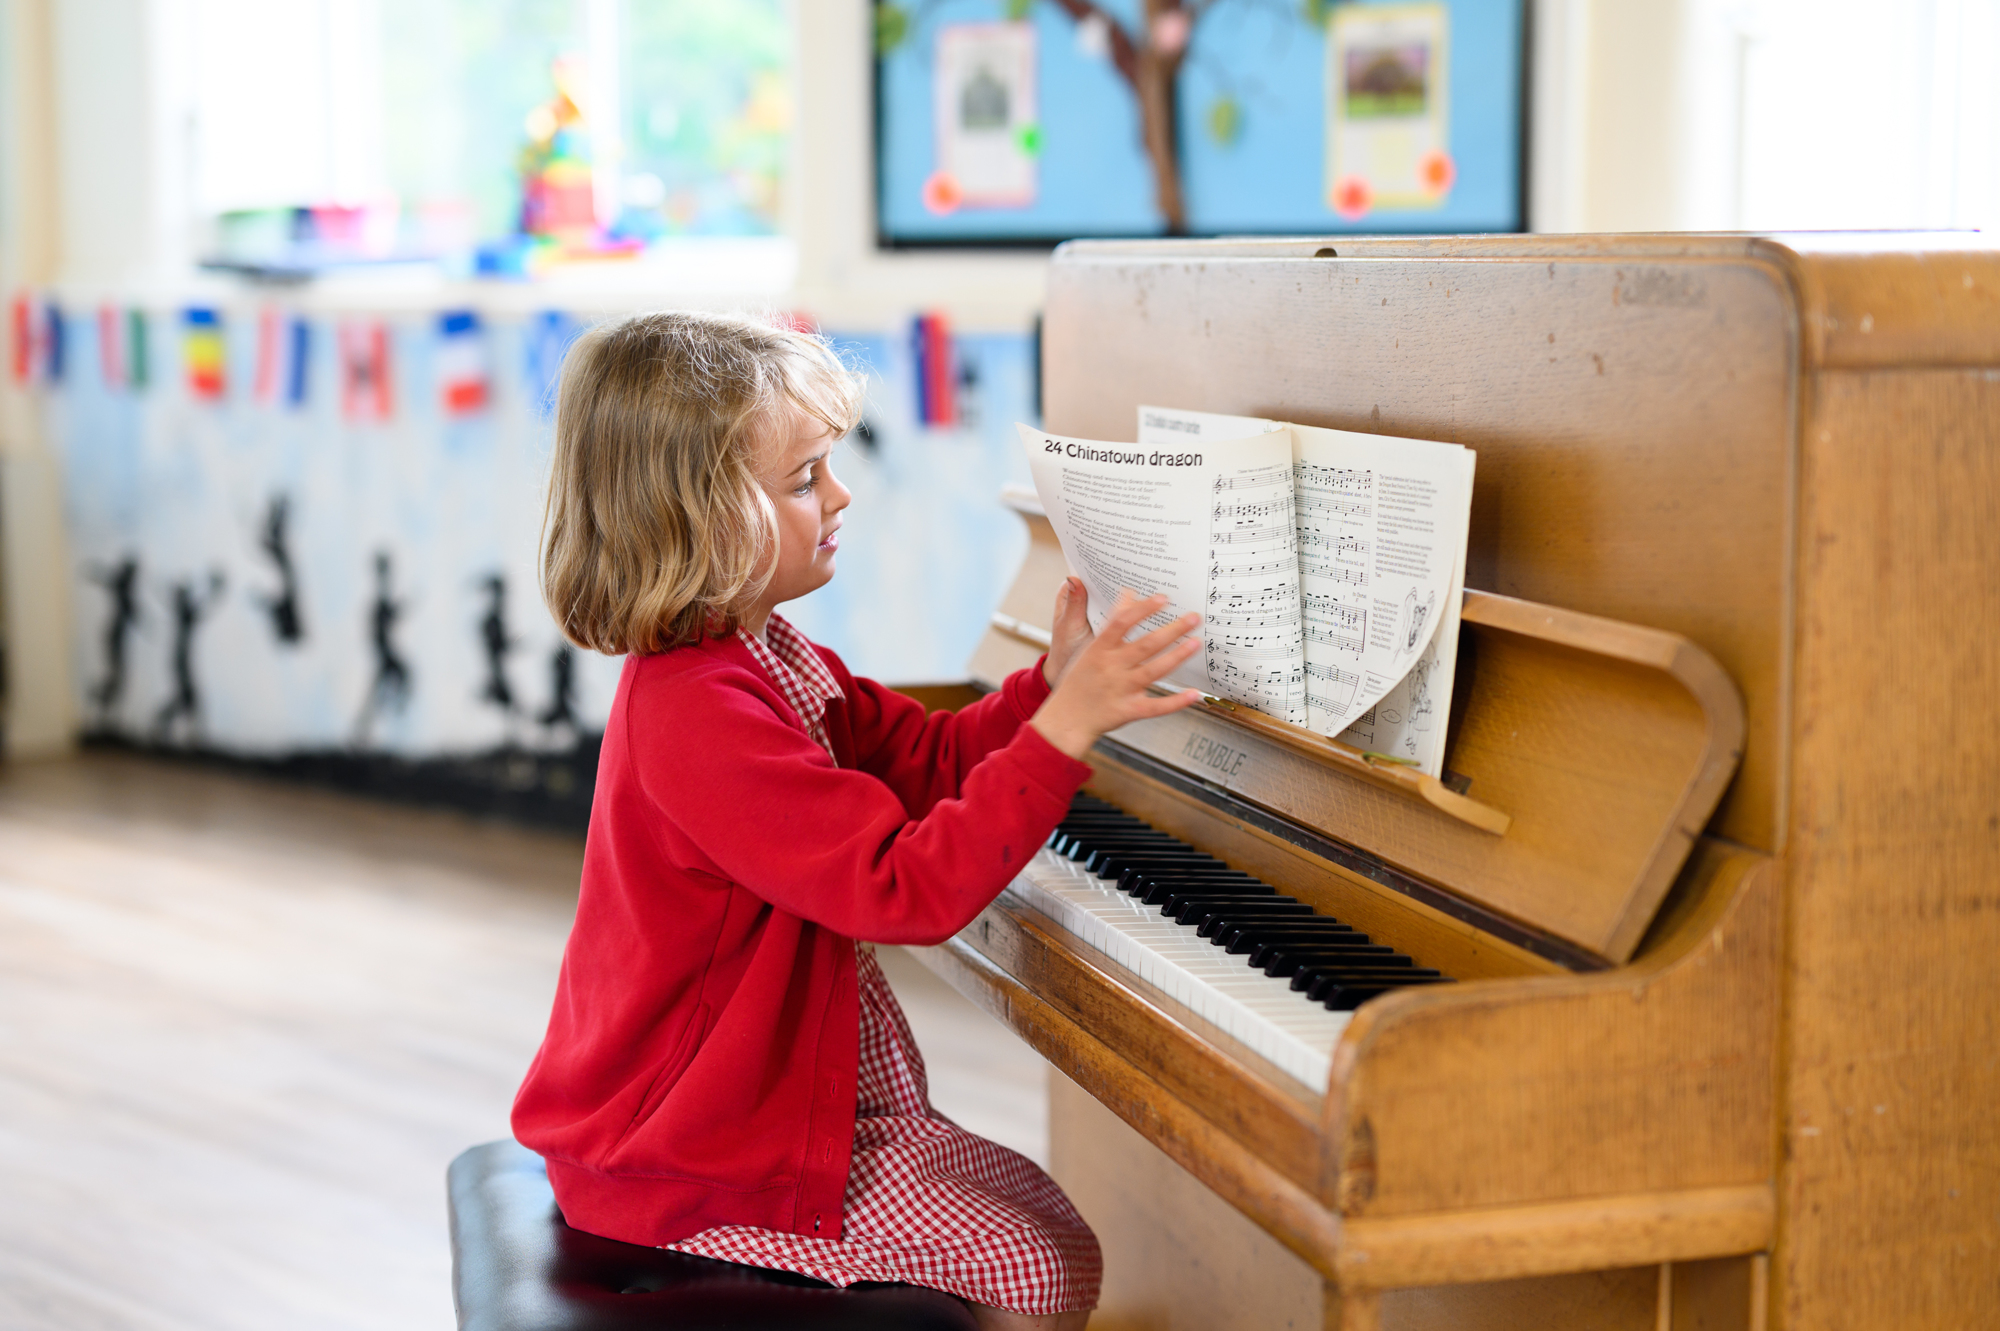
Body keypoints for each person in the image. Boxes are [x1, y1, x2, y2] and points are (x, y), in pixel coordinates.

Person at [512, 312, 1202, 1331]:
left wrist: (1041, 688)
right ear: (697, 516)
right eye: (803, 480)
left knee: (1051, 1228)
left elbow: (921, 759)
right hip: (692, 1153)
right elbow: (901, 888)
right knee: (1036, 1267)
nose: (839, 495)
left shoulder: (763, 653)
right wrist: (1066, 729)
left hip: (777, 1107)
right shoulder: (695, 711)